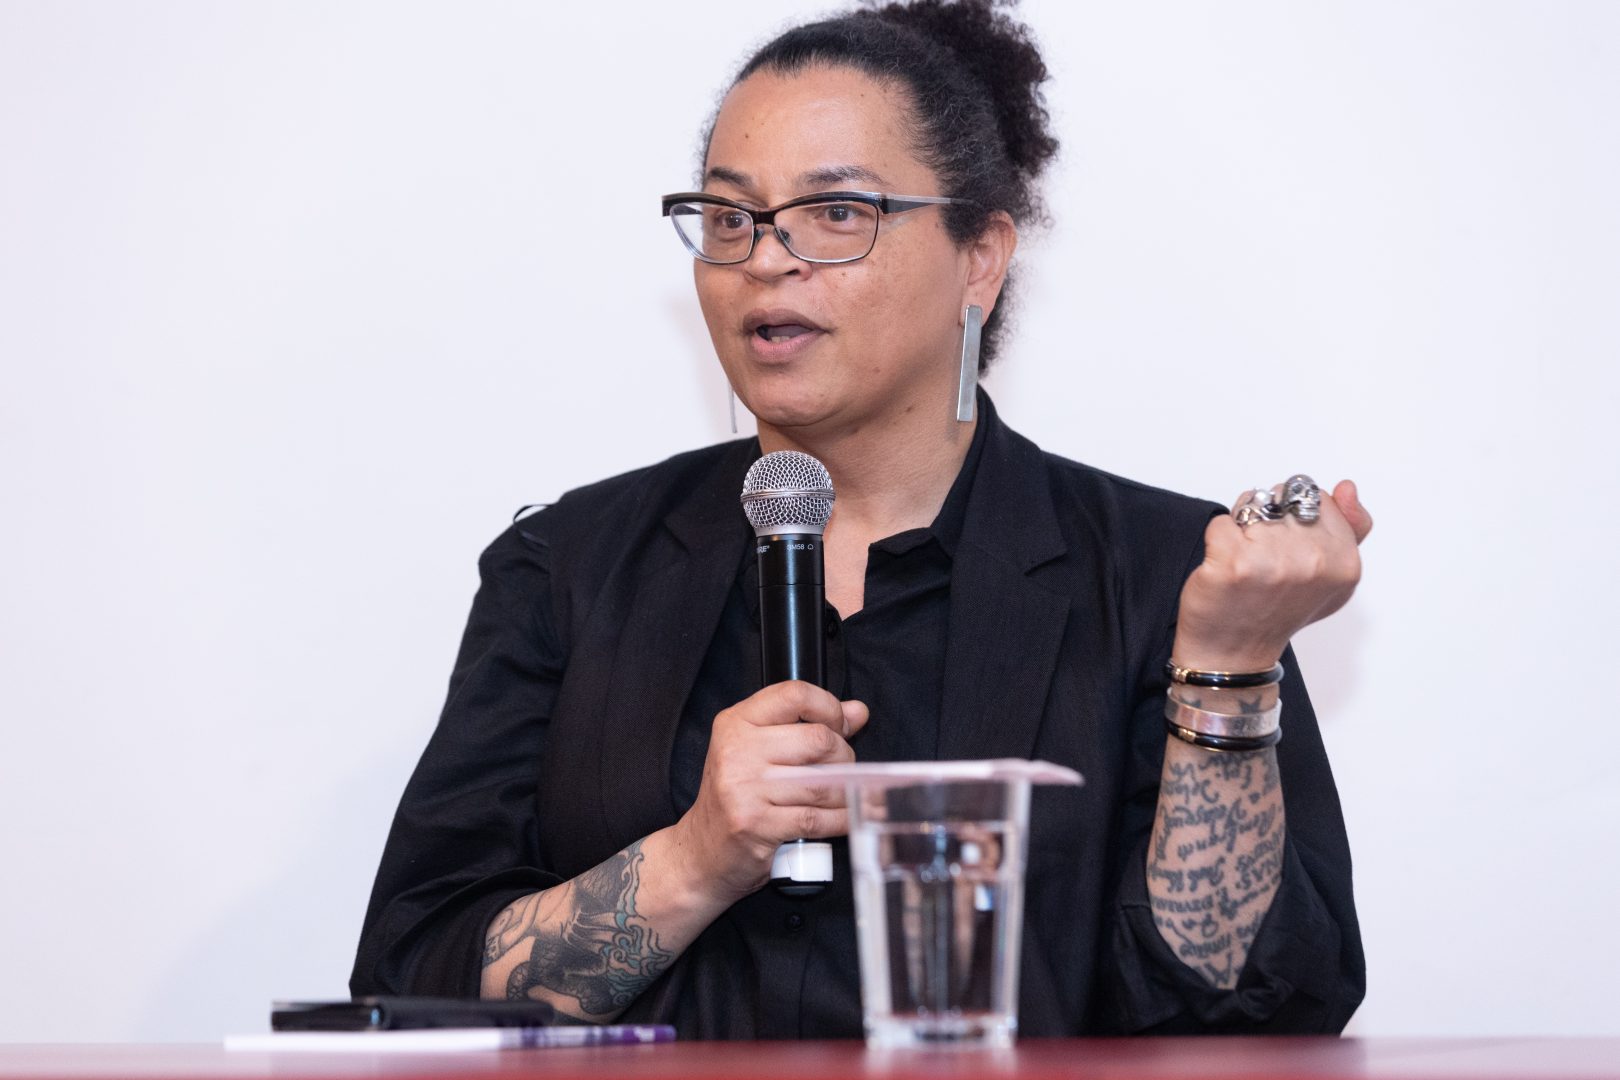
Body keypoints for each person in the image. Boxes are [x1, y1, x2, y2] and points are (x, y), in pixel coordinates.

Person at [351, 0, 1370, 1037]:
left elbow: (1250, 1021)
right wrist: (696, 858)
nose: (765, 259)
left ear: (980, 257)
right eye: (730, 217)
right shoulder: (568, 568)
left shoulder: (1163, 579)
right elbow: (409, 980)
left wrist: (1227, 674)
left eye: (837, 212)